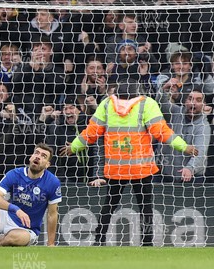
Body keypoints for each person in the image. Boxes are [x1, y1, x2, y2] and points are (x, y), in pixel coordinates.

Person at [65, 79, 198, 246]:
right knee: (145, 207)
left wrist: (75, 147)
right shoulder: (146, 103)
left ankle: (99, 240)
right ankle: (147, 243)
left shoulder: (107, 103)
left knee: (109, 205)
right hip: (141, 167)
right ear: (139, 91)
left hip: (117, 167)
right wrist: (184, 146)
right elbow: (162, 132)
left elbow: (91, 132)